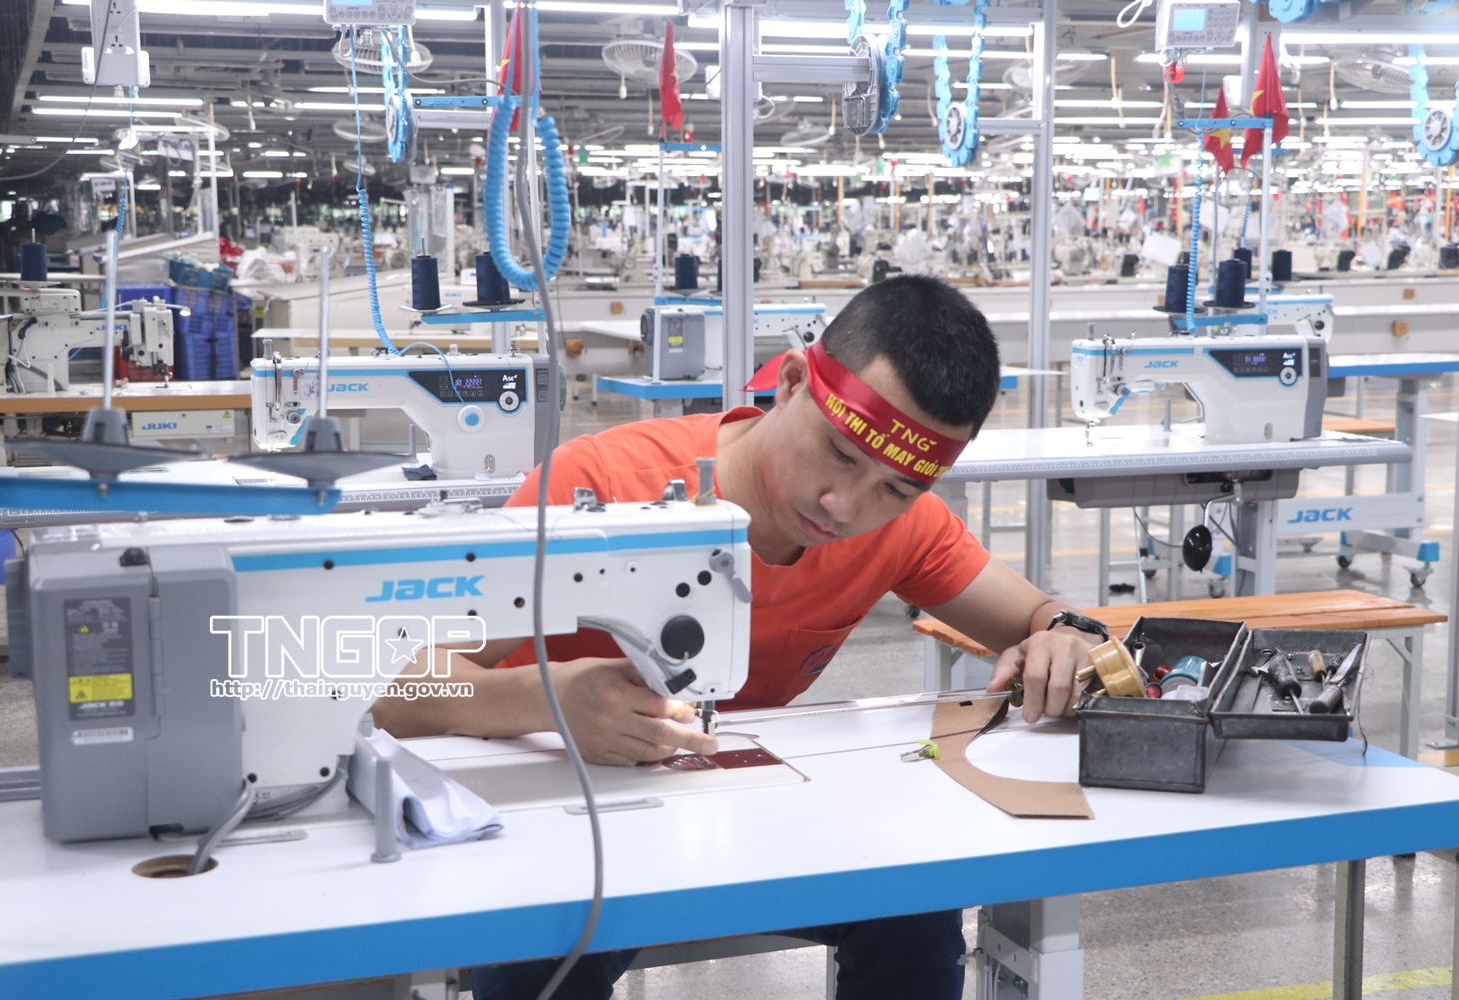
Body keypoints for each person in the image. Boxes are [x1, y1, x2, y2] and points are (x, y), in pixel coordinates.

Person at [374, 274, 1111, 1000]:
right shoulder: (595, 486)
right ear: (790, 383)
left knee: (914, 907)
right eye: (840, 453)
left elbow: (1048, 618)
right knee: (539, 954)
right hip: (566, 816)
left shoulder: (900, 528)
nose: (844, 506)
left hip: (740, 812)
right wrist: (549, 700)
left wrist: (1064, 638)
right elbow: (389, 684)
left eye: (894, 488)